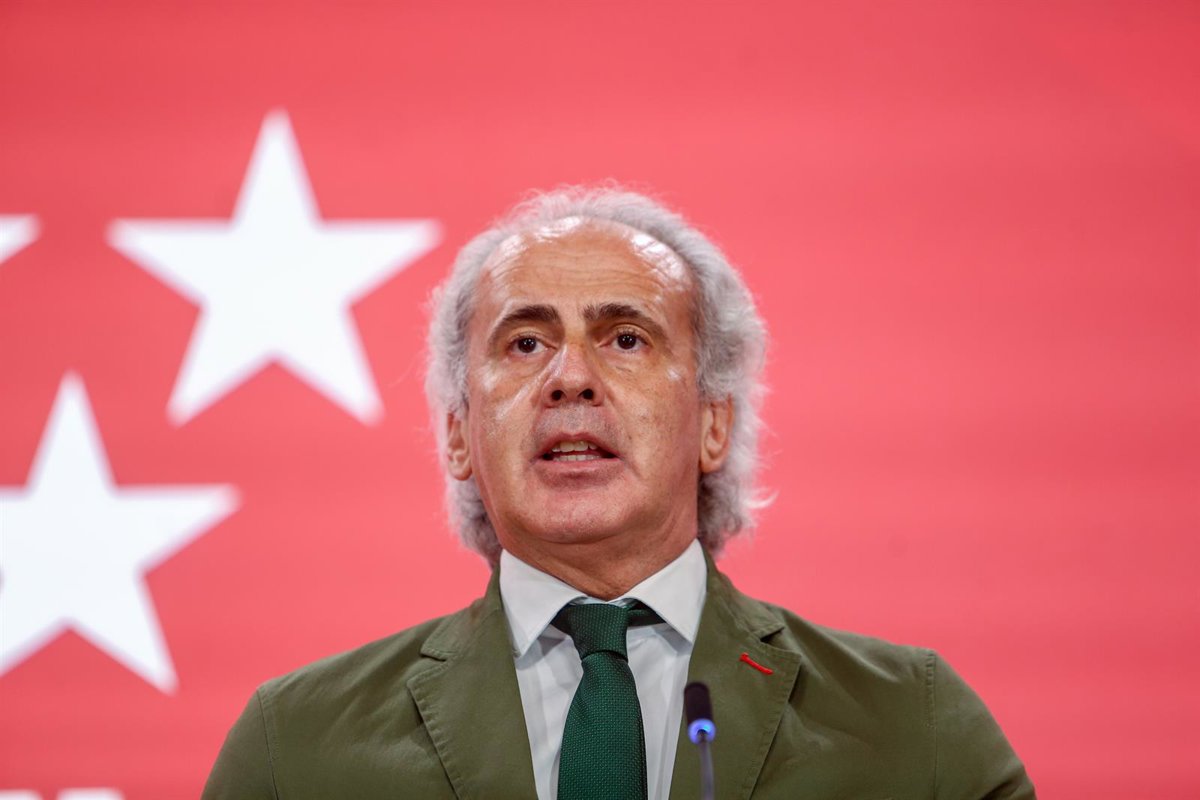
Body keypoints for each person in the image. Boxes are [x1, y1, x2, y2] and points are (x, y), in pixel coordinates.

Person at [202, 187, 1035, 799]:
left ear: (713, 422)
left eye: (626, 339)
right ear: (458, 433)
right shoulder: (299, 751)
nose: (570, 377)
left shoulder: (911, 730)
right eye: (524, 343)